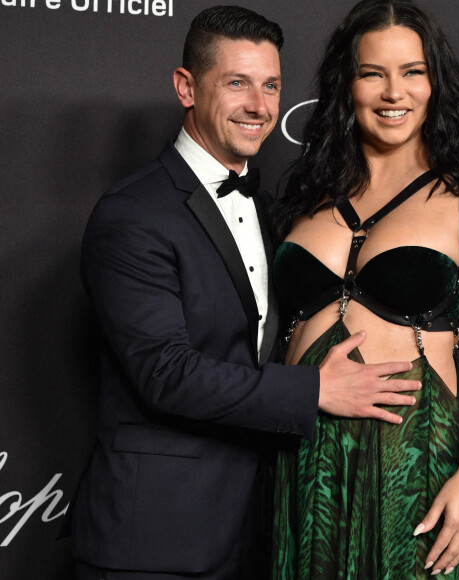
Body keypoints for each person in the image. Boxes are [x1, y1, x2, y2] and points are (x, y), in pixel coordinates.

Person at [70, 5, 421, 580]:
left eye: (271, 85)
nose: (260, 106)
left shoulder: (264, 209)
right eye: (237, 84)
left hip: (260, 528)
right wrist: (313, 389)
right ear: (186, 87)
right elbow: (165, 373)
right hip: (154, 539)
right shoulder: (132, 215)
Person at [270, 0, 459, 578]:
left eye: (412, 71)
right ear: (346, 84)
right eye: (372, 73)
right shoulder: (308, 198)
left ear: (435, 82)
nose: (394, 92)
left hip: (412, 460)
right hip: (305, 459)